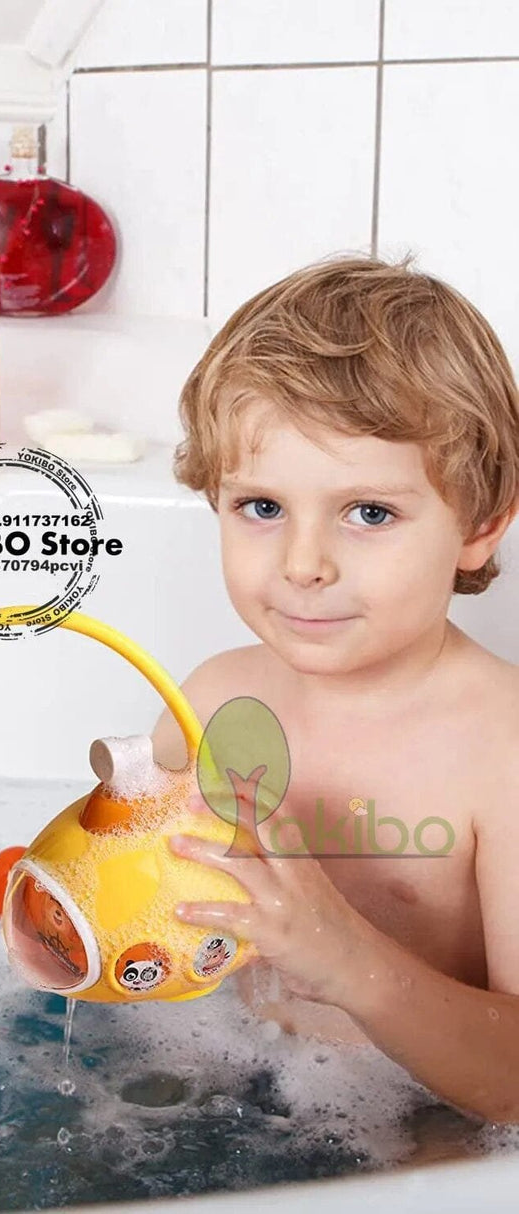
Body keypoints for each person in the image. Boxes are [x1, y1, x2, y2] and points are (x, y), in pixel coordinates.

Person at [152, 257, 519, 1123]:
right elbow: (145, 904)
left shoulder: (502, 750)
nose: (304, 566)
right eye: (263, 508)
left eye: (369, 514)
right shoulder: (211, 702)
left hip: (433, 1125)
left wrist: (345, 958)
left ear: (479, 526)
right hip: (223, 1078)